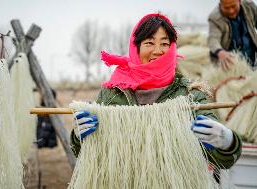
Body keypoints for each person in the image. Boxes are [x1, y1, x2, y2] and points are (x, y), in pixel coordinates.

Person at [70, 13, 242, 174]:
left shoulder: (190, 94)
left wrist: (226, 141)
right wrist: (79, 137)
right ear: (136, 47)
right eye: (149, 43)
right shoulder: (113, 93)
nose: (158, 50)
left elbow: (223, 160)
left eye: (165, 44)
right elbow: (86, 154)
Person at [208, 0, 257, 71]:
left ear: (239, 1)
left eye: (233, 6)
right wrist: (220, 52)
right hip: (229, 63)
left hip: (251, 56)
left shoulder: (250, 6)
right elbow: (213, 40)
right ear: (220, 4)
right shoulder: (214, 17)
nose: (231, 11)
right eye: (226, 8)